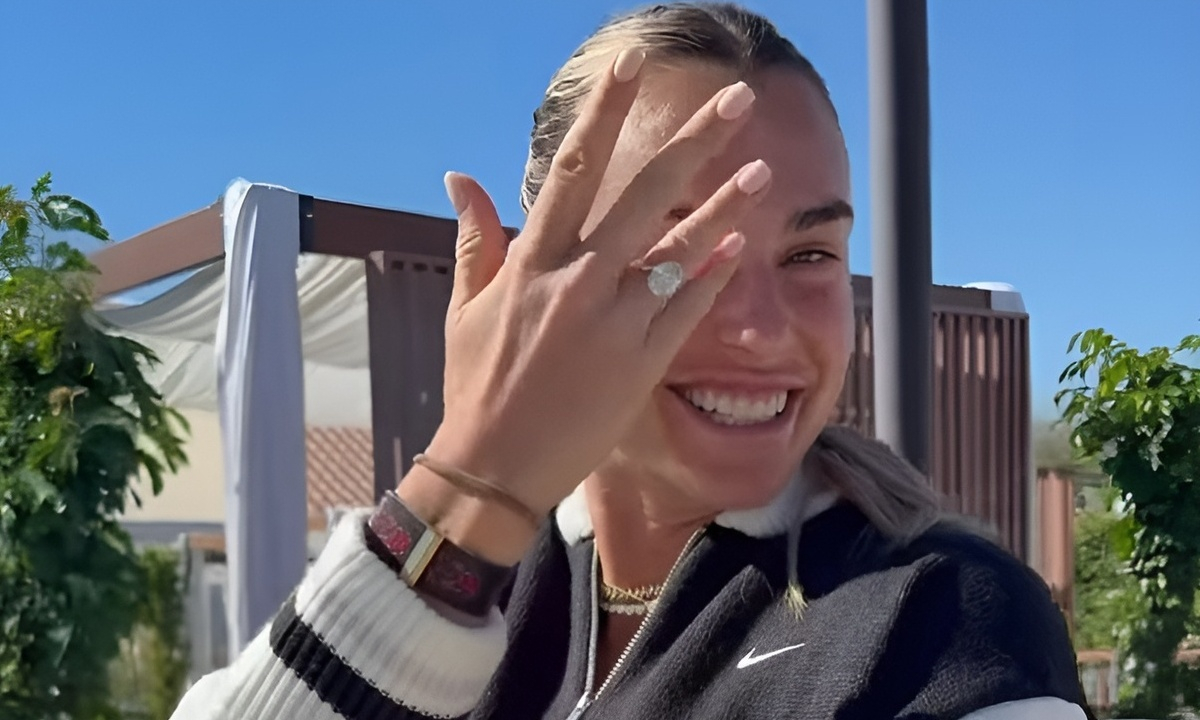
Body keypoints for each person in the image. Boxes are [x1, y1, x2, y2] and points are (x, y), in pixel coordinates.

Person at [172, 3, 1093, 718]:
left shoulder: (942, 622)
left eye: (810, 253)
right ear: (534, 282)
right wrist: (467, 489)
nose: (761, 330)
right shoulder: (491, 574)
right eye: (680, 256)